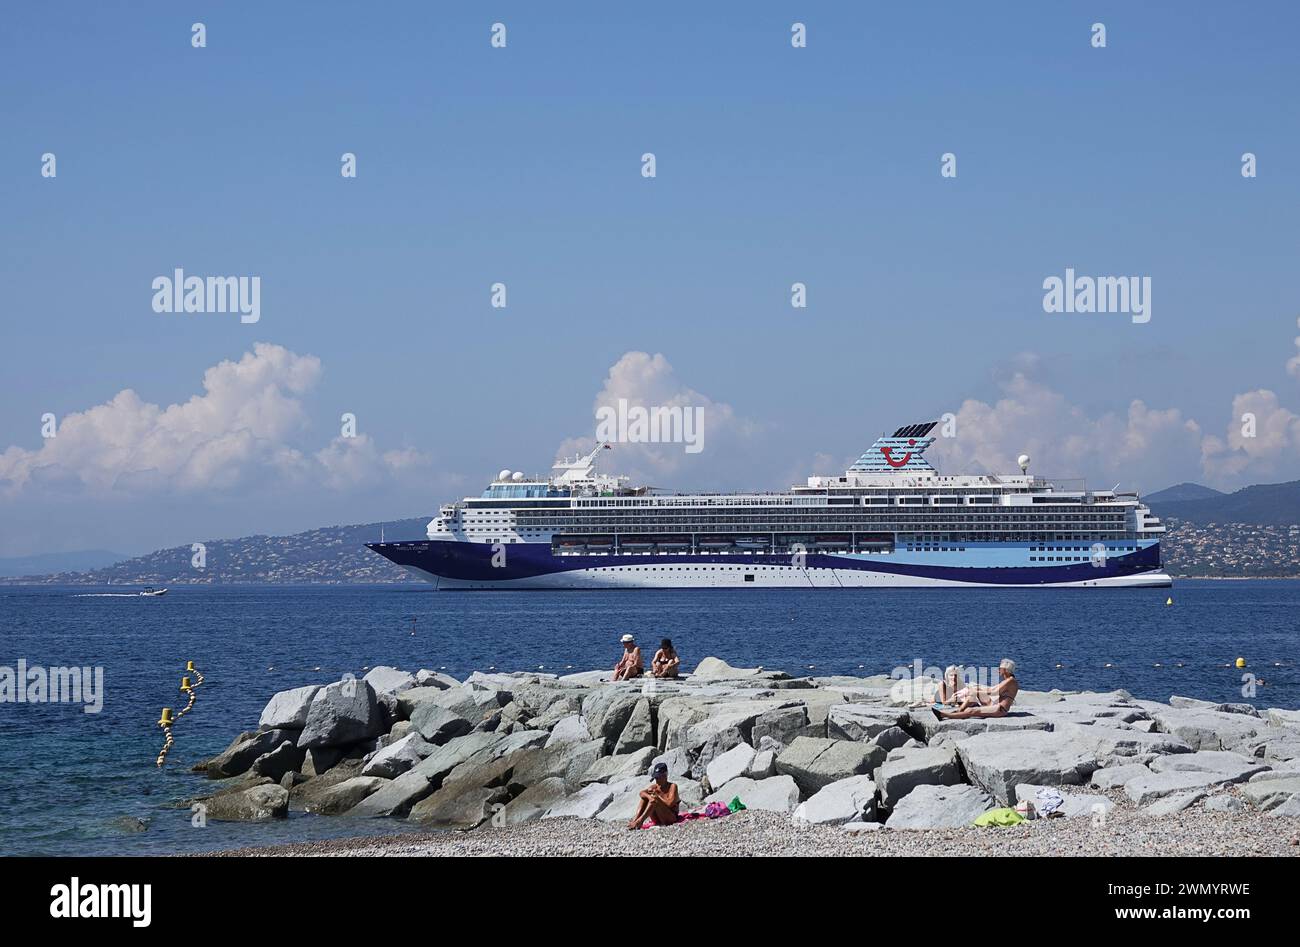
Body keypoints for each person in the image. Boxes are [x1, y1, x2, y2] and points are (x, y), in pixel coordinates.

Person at [935, 658, 1019, 719]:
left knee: (972, 711)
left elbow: (993, 691)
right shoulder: (1008, 680)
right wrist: (977, 688)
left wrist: (976, 690)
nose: (998, 670)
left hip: (1000, 709)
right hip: (994, 704)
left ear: (1006, 670)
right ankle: (960, 710)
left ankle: (944, 715)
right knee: (973, 691)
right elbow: (992, 688)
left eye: (1000, 668)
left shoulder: (1011, 681)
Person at [627, 761, 680, 829]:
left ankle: (640, 821)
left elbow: (670, 803)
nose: (656, 780)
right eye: (656, 778)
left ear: (665, 776)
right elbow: (641, 793)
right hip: (657, 819)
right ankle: (635, 820)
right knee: (646, 797)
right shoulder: (654, 787)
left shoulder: (672, 786)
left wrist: (658, 797)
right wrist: (649, 797)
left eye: (659, 778)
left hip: (670, 818)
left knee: (654, 798)